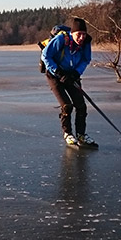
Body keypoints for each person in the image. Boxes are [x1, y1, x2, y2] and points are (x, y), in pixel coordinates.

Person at [41, 17, 97, 147]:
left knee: (81, 106)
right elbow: (46, 55)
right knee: (67, 105)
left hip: (72, 75)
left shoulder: (86, 43)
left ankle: (81, 135)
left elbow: (85, 60)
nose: (81, 37)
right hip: (54, 75)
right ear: (72, 33)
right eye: (79, 34)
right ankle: (68, 133)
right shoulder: (62, 39)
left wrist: (76, 73)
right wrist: (58, 72)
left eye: (84, 34)